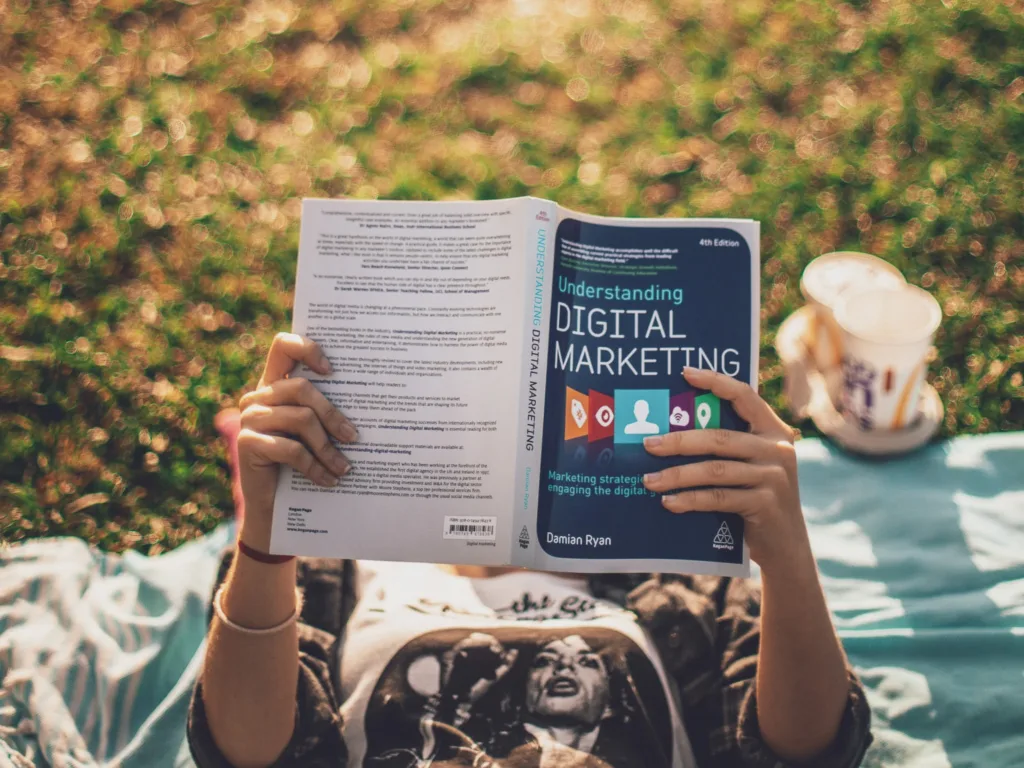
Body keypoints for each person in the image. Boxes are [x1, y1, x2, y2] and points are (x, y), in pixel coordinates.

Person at [188, 333, 872, 768]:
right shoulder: (336, 554)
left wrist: (786, 556)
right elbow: (245, 750)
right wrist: (267, 542)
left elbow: (808, 749)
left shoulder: (679, 563)